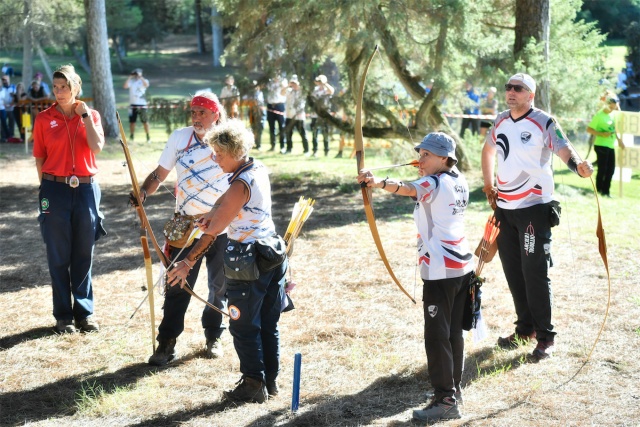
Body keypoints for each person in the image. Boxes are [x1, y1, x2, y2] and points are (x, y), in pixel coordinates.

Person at [167, 119, 289, 404]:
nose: (214, 158)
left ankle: (253, 384)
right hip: (271, 253)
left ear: (235, 151)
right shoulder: (253, 168)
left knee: (243, 324)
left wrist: (187, 262)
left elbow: (213, 232)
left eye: (219, 154)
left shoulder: (240, 182)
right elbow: (225, 203)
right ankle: (269, 381)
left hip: (250, 260)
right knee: (267, 323)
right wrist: (212, 210)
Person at [357, 132, 474, 423]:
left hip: (440, 270)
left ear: (444, 159)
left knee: (437, 336)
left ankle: (445, 400)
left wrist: (378, 182)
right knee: (452, 334)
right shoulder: (458, 180)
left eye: (426, 156)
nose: (420, 160)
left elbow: (408, 187)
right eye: (420, 154)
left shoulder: (434, 182)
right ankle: (452, 392)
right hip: (461, 268)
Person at [481, 73, 594, 362]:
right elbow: (488, 149)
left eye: (518, 89)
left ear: (530, 94)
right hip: (505, 210)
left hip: (534, 209)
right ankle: (525, 329)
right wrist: (488, 184)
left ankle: (546, 337)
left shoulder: (544, 121)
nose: (511, 92)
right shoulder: (501, 120)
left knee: (535, 273)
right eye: (508, 87)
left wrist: (577, 166)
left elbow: (563, 147)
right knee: (514, 272)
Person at [134, 92, 230, 365]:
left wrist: (221, 215)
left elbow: (238, 179)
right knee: (176, 283)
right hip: (185, 224)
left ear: (216, 114)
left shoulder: (227, 139)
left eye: (203, 112)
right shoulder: (180, 137)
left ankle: (214, 336)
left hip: (221, 225)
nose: (197, 117)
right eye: (194, 112)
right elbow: (159, 174)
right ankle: (166, 344)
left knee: (219, 286)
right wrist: (143, 192)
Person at [33, 64, 106, 334]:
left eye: (64, 87)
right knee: (58, 255)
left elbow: (97, 147)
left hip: (86, 189)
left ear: (76, 88)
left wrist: (85, 115)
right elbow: (40, 158)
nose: (59, 92)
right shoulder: (43, 118)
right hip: (54, 190)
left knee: (84, 253)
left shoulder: (91, 114)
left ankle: (85, 313)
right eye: (56, 87)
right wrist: (46, 189)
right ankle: (63, 315)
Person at [587, 95, 624, 198]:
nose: (612, 109)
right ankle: (599, 190)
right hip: (600, 145)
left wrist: (619, 140)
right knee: (603, 169)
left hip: (611, 145)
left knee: (611, 170)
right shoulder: (599, 115)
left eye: (614, 107)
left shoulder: (613, 115)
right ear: (606, 105)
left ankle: (606, 192)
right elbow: (589, 129)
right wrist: (601, 133)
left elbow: (614, 129)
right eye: (611, 107)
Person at [282, 74, 309, 155]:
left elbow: (306, 90)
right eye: (292, 83)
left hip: (299, 117)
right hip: (289, 116)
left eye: (295, 83)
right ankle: (289, 149)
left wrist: (298, 85)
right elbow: (282, 93)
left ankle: (306, 150)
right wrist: (288, 86)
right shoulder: (289, 91)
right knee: (288, 133)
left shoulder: (302, 92)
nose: (293, 85)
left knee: (303, 134)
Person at [310, 74, 334, 157]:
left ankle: (326, 151)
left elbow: (332, 91)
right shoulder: (315, 90)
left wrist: (325, 83)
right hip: (315, 115)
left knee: (325, 133)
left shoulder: (326, 90)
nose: (319, 82)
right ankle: (315, 151)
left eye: (320, 81)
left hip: (324, 115)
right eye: (318, 81)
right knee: (314, 133)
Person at [123, 68, 150, 143]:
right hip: (133, 104)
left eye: (138, 74)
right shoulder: (131, 82)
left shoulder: (144, 81)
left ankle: (148, 136)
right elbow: (125, 86)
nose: (136, 75)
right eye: (136, 74)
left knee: (145, 121)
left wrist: (141, 77)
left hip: (142, 105)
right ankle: (132, 136)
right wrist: (130, 77)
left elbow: (146, 85)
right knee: (132, 122)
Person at [265, 74, 287, 152]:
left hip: (279, 105)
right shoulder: (269, 82)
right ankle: (273, 145)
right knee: (271, 127)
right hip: (270, 106)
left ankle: (282, 146)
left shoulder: (283, 81)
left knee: (281, 126)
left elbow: (284, 90)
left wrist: (280, 82)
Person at [246, 80, 265, 150]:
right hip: (251, 112)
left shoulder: (260, 93)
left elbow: (259, 102)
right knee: (252, 128)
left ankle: (258, 144)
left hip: (259, 112)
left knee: (259, 128)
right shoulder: (249, 94)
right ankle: (253, 143)